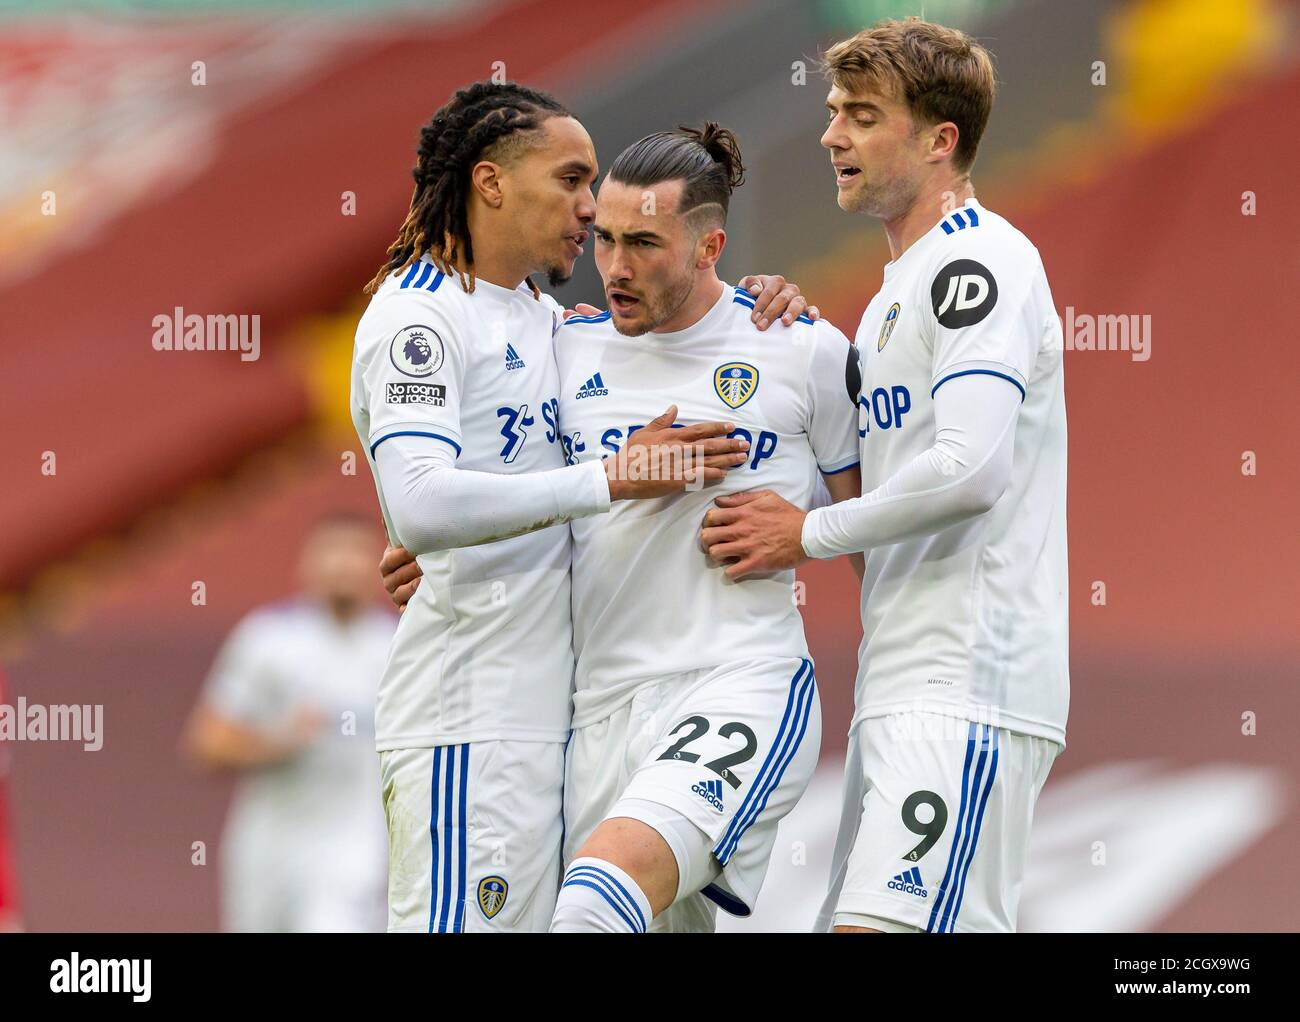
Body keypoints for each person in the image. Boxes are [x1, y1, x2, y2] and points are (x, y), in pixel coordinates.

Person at [353, 81, 807, 933]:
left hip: (559, 726)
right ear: (491, 183)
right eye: (571, 180)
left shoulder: (545, 321)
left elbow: (673, 336)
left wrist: (756, 302)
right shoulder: (418, 316)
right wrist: (610, 478)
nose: (588, 206)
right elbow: (420, 504)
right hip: (470, 720)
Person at [700, 17, 1069, 933]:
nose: (831, 136)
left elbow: (973, 470)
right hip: (901, 675)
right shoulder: (893, 290)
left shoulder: (979, 262)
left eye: (862, 116)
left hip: (970, 679)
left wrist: (803, 535)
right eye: (833, 113)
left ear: (940, 140)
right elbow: (893, 493)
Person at [183, 511, 394, 932]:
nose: (344, 565)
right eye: (332, 552)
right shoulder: (267, 639)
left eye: (356, 553)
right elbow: (205, 744)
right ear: (306, 565)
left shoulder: (396, 643)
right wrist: (282, 741)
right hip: (268, 848)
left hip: (355, 849)